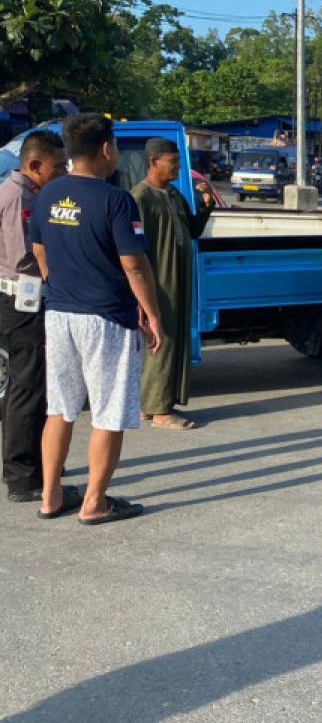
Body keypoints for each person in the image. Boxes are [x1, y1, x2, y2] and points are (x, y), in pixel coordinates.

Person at [28, 113, 163, 524]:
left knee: (60, 408)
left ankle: (50, 497)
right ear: (107, 149)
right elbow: (134, 266)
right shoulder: (115, 200)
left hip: (59, 314)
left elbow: (39, 252)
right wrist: (154, 315)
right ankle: (94, 503)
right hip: (105, 317)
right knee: (108, 412)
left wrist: (63, 283)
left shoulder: (47, 195)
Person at [0, 130, 69, 504]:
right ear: (34, 165)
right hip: (21, 301)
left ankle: (40, 463)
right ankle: (22, 475)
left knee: (35, 384)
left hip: (24, 300)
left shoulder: (30, 194)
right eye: (58, 167)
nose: (63, 173)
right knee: (26, 387)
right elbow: (27, 257)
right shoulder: (19, 198)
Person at [129, 138, 214, 430]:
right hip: (157, 280)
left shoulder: (174, 194)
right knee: (162, 341)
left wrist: (206, 205)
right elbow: (131, 250)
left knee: (171, 339)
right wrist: (138, 297)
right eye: (173, 162)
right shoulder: (140, 197)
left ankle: (152, 405)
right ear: (153, 162)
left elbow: (192, 229)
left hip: (177, 279)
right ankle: (160, 411)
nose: (178, 168)